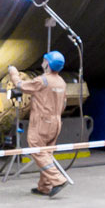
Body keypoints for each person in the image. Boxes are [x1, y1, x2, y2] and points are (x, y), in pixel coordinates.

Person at [7, 50, 69, 197]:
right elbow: (64, 103)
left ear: (47, 64)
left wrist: (13, 72)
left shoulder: (43, 80)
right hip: (56, 122)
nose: (42, 62)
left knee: (36, 149)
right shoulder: (62, 82)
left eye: (44, 60)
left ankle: (58, 179)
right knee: (46, 153)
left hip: (42, 122)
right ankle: (44, 186)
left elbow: (21, 85)